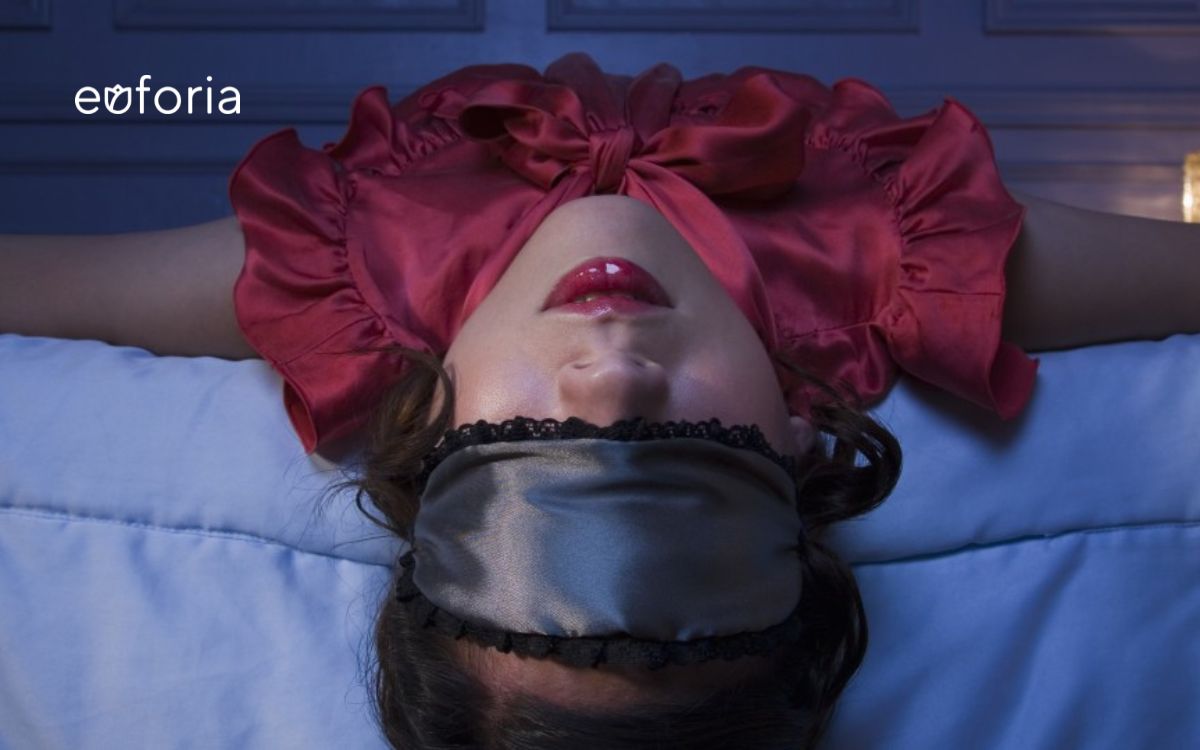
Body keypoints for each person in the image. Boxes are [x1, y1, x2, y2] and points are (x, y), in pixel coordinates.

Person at [1, 53, 1198, 749]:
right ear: (797, 437)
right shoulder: (907, 261)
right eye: (689, 450)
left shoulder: (348, 273)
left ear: (432, 428)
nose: (614, 375)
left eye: (530, 449)